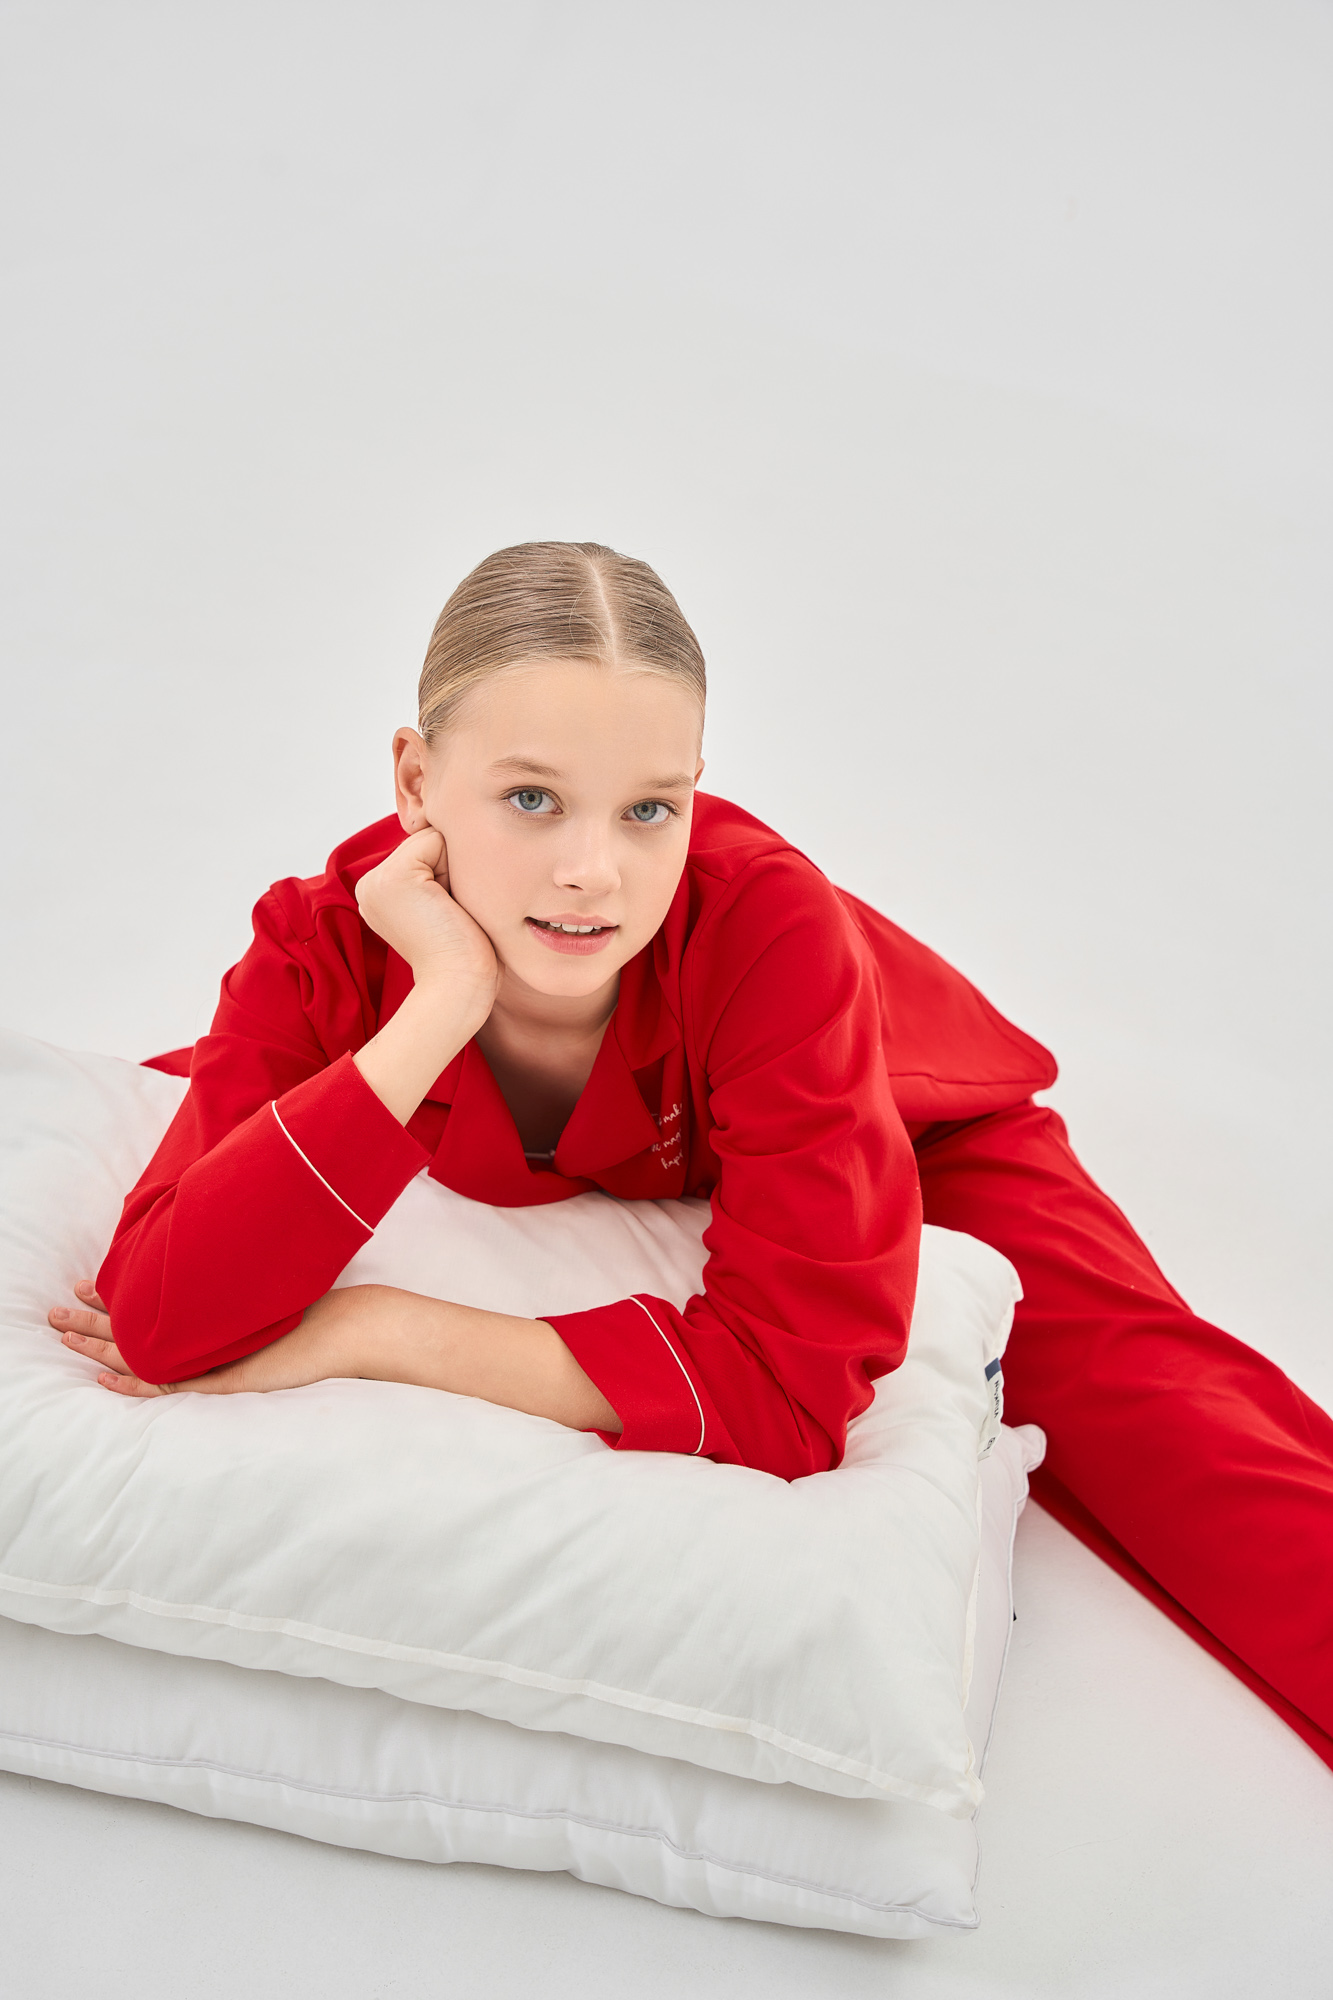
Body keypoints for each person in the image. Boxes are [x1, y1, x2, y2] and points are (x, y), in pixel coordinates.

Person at [47, 541, 1332, 1769]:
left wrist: (374, 1327)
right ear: (415, 780)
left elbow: (787, 1394)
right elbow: (157, 1320)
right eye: (531, 798)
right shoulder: (325, 943)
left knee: (1160, 1420)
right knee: (216, 1141)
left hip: (895, 1116)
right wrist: (439, 1004)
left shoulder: (770, 926)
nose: (591, 871)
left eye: (649, 808)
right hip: (485, 1024)